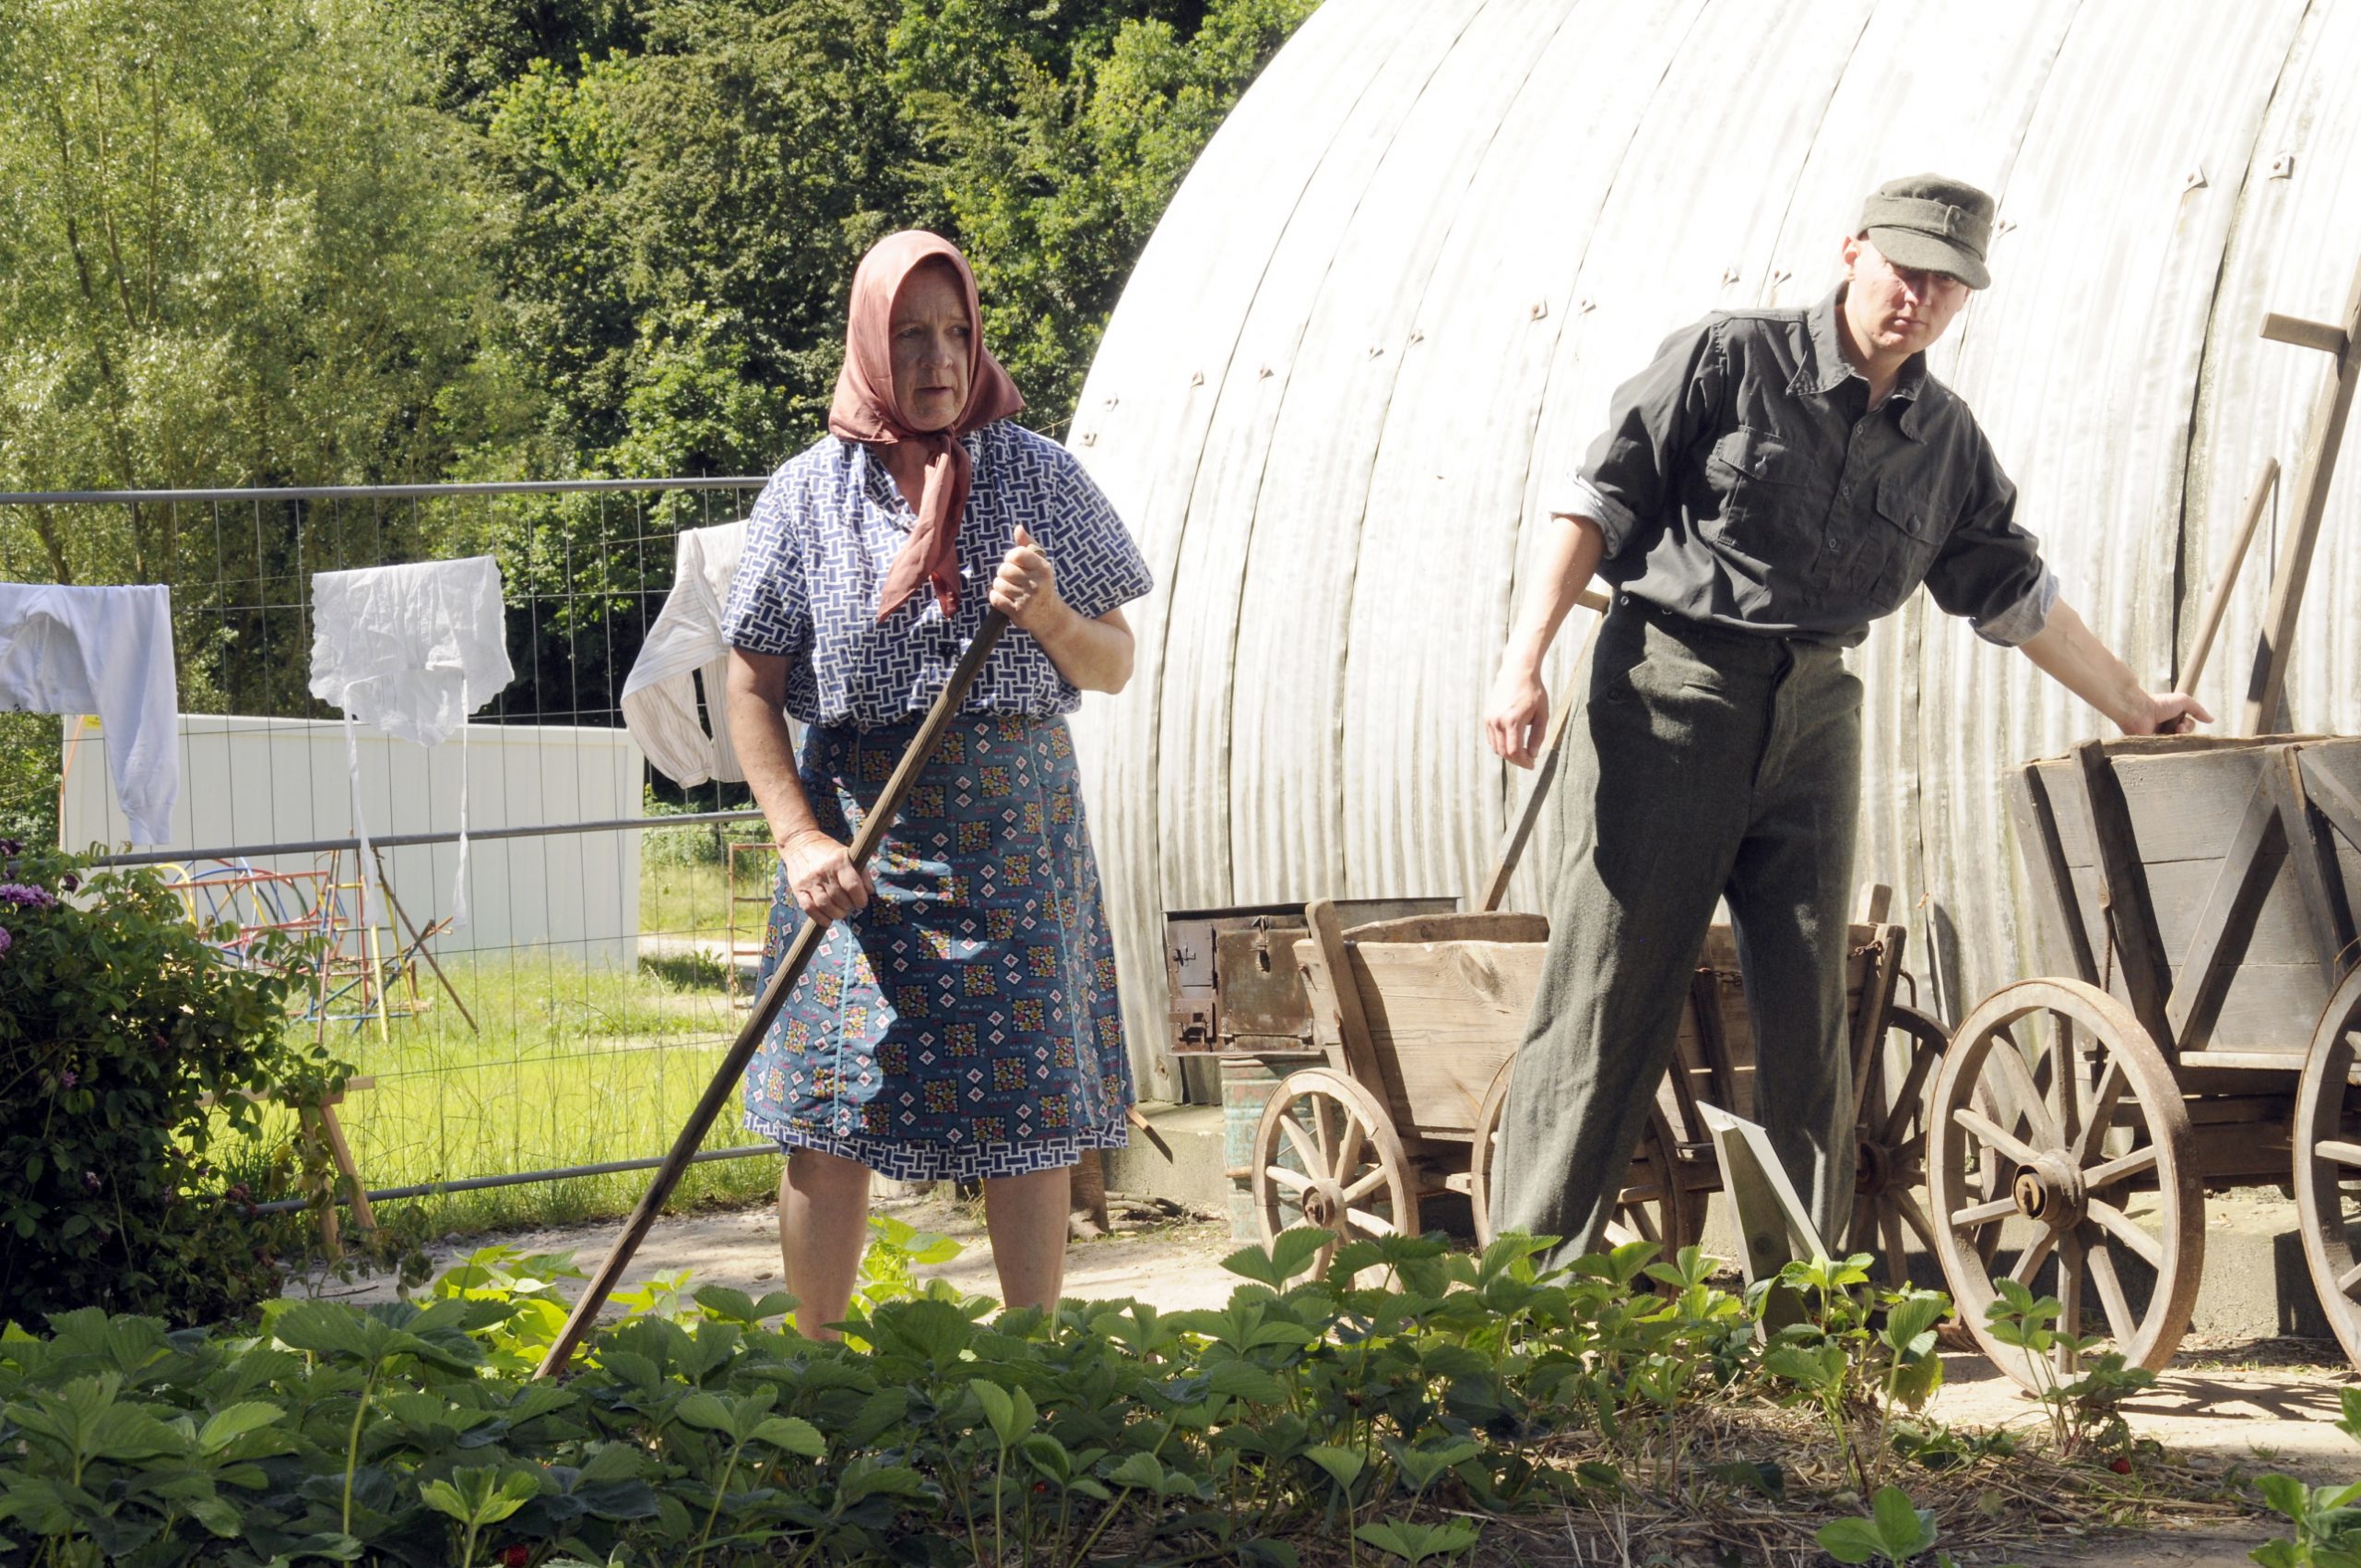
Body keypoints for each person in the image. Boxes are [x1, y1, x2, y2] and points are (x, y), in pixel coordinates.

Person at [1481, 175, 2210, 1269]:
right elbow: (1598, 500)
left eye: (1946, 284)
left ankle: (1799, 1306)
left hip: (1817, 710)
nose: (1918, 296)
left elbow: (2016, 597)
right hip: (1671, 691)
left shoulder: (1945, 442)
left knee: (1811, 1011)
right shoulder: (1730, 357)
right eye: (1904, 268)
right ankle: (1528, 1293)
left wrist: (2136, 704)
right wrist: (1521, 659)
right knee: (1607, 992)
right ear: (1853, 250)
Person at [723, 230, 1153, 1337]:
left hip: (1013, 832)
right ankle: (814, 1367)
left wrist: (1048, 614)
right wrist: (797, 838)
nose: (940, 359)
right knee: (828, 1104)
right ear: (870, 345)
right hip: (858, 839)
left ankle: (1035, 1365)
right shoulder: (805, 495)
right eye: (910, 334)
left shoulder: (1038, 474)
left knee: (1028, 1103)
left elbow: (1113, 662)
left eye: (956, 331)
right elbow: (750, 685)